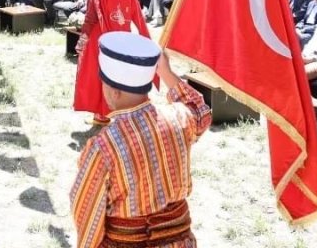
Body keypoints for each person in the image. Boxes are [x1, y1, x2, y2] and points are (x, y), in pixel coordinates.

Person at [70, 34, 211, 248]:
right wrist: (165, 71)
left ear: (114, 91)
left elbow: (86, 213)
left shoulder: (104, 147)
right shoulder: (180, 118)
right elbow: (200, 112)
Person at [74, 0, 151, 125]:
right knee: (117, 73)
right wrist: (145, 38)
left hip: (100, 38)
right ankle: (115, 112)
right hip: (122, 39)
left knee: (99, 73)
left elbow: (91, 18)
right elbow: (138, 16)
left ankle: (101, 114)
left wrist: (83, 38)